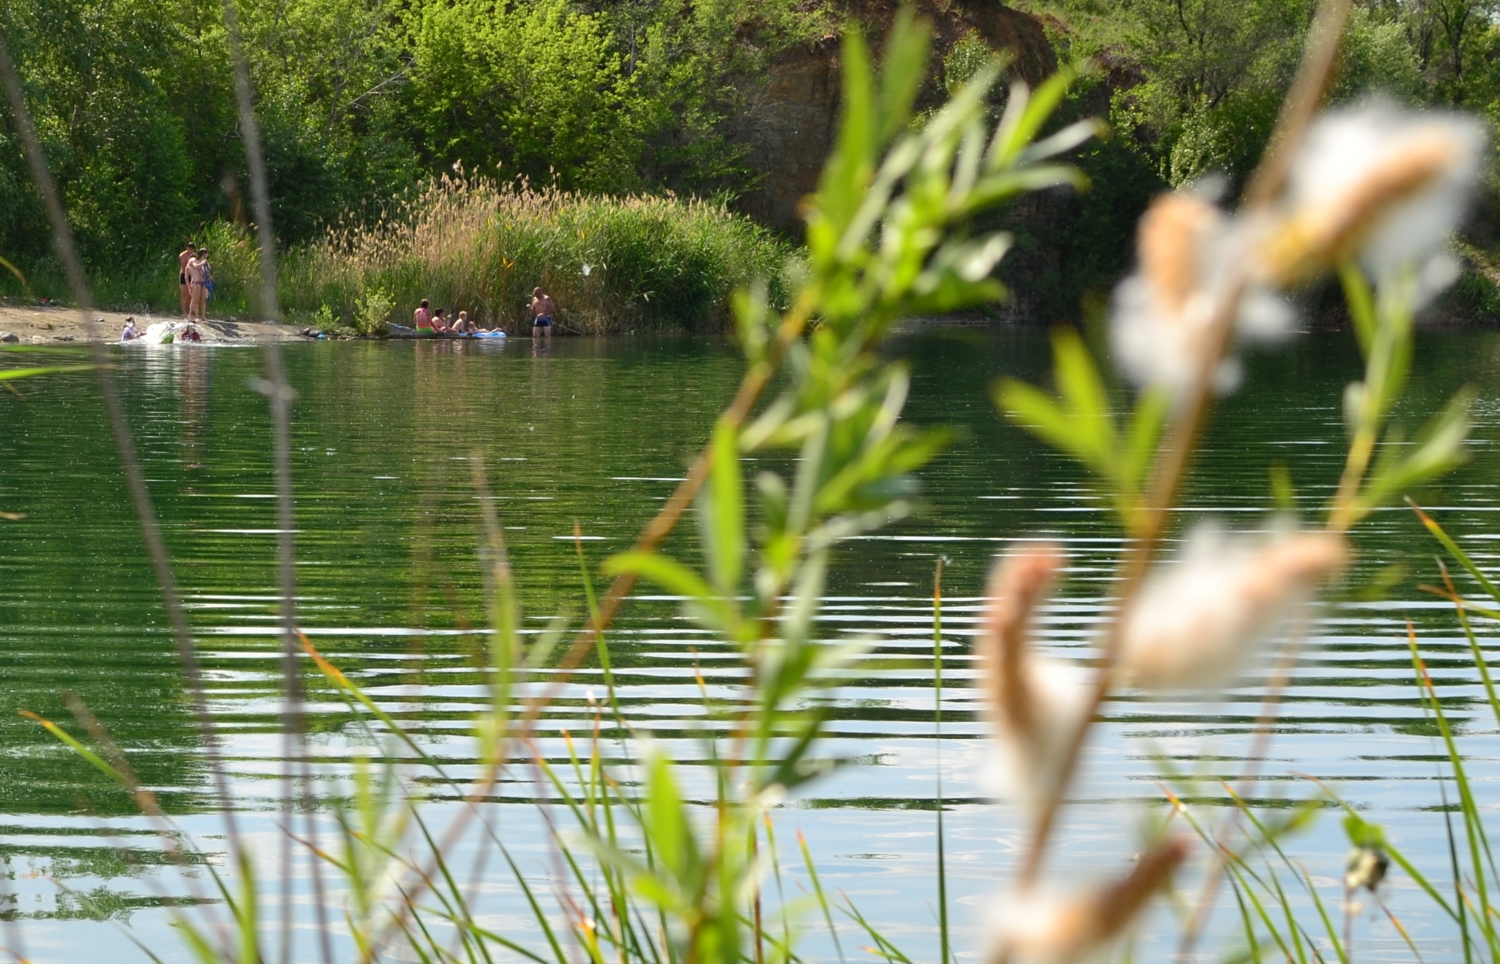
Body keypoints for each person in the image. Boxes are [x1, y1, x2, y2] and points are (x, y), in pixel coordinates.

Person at [186, 250, 209, 321]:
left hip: (201, 283)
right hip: (196, 283)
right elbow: (195, 266)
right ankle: (191, 316)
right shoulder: (192, 261)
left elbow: (207, 269)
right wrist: (202, 262)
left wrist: (205, 262)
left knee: (201, 299)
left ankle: (200, 316)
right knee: (194, 300)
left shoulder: (199, 262)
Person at [178, 242, 197, 317]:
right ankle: (184, 311)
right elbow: (184, 267)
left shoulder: (194, 255)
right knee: (183, 293)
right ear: (187, 248)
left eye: (192, 249)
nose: (191, 250)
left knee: (190, 294)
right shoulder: (182, 255)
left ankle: (188, 310)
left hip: (191, 275)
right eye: (190, 248)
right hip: (183, 274)